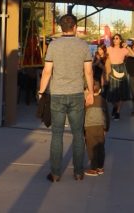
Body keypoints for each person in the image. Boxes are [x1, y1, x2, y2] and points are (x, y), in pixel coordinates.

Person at [37, 14, 94, 182]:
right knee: (78, 134)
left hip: (57, 94)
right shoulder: (83, 45)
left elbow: (47, 71)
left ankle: (55, 173)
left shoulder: (53, 45)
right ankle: (78, 172)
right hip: (76, 94)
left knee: (57, 134)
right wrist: (90, 92)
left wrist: (41, 92)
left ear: (61, 28)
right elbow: (88, 72)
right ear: (75, 27)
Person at [104, 34, 134, 120]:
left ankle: (117, 111)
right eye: (114, 38)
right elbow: (105, 53)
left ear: (120, 40)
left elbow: (133, 55)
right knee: (111, 93)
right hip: (112, 69)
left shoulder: (124, 49)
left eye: (117, 38)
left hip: (121, 69)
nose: (115, 40)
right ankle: (115, 106)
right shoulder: (109, 48)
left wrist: (127, 46)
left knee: (121, 93)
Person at [83, 80, 109, 177]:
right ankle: (100, 167)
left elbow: (83, 115)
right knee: (100, 147)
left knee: (91, 148)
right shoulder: (103, 101)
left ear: (88, 90)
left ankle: (93, 168)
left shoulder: (87, 101)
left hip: (90, 127)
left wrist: (83, 130)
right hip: (101, 127)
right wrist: (106, 128)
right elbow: (106, 116)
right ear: (100, 90)